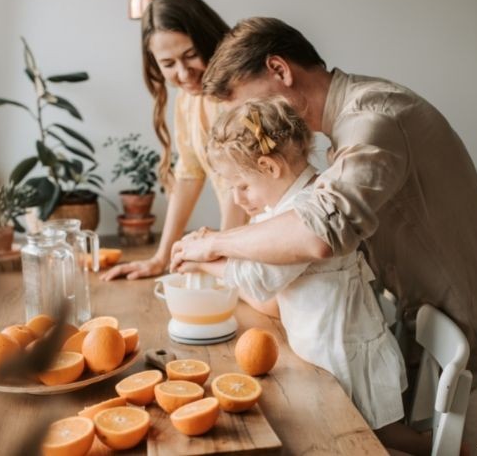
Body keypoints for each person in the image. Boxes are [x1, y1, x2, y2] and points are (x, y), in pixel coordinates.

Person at [171, 17, 477, 453]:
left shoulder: (374, 121)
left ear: (279, 70)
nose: (253, 122)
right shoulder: (345, 129)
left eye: (248, 104)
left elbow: (319, 232)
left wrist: (214, 243)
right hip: (437, 317)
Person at [178, 96, 433, 455]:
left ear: (269, 167)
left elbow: (257, 279)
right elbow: (269, 299)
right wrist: (208, 255)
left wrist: (203, 259)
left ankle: (453, 450)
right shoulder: (282, 209)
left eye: (241, 186)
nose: (237, 199)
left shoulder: (302, 211)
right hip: (323, 351)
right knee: (361, 438)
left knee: (373, 440)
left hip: (344, 357)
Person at [100, 0, 246, 281]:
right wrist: (161, 258)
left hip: (260, 245)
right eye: (168, 64)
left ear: (210, 40)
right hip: (238, 247)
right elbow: (189, 175)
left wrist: (228, 254)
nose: (183, 73)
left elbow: (240, 181)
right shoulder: (187, 99)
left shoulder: (239, 92)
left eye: (191, 55)